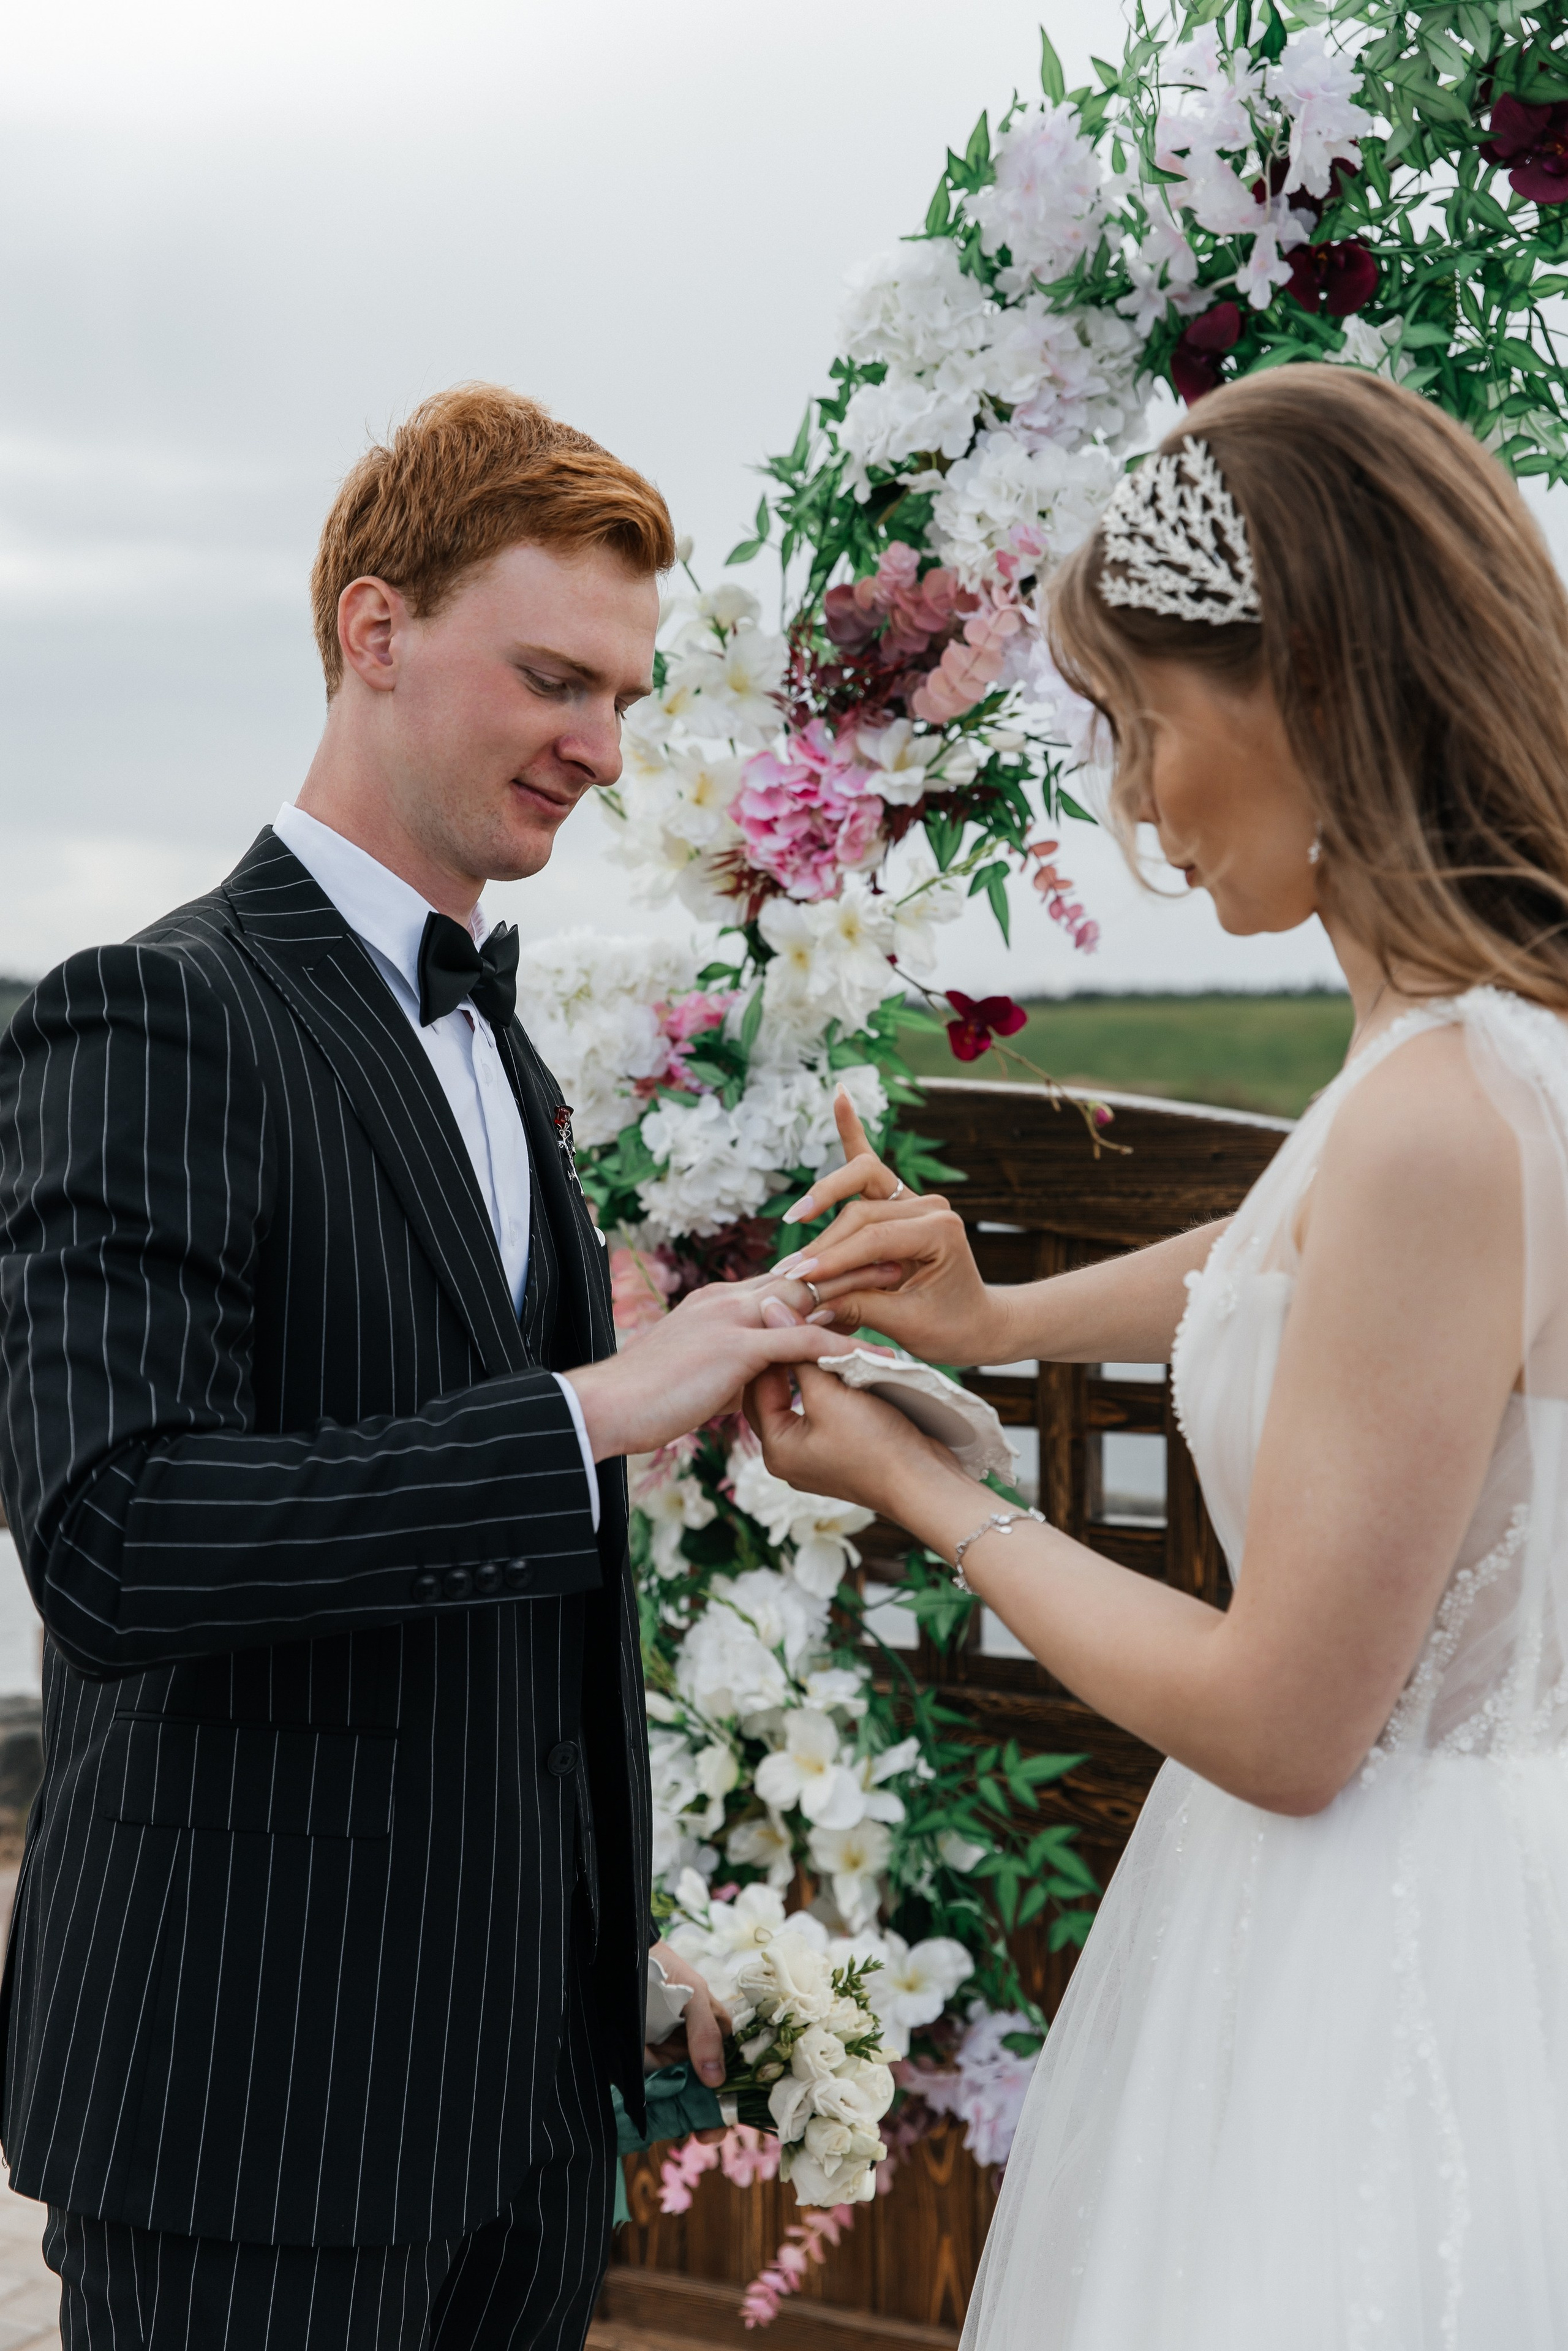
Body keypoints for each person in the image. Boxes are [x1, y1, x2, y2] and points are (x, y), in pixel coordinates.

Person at [0, 384, 846, 2351]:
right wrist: (585, 1414)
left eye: (627, 697)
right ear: (377, 634)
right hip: (251, 2118)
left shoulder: (498, 1049)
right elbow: (114, 1539)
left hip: (521, 2129)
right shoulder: (155, 1014)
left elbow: (484, 1635)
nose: (603, 747)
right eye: (557, 678)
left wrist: (611, 1977)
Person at [750, 366, 1568, 2345]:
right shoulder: (1460, 1059)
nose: (1130, 802)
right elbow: (1313, 1251)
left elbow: (1285, 1726)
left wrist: (935, 1492)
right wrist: (1005, 1321)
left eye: (1142, 726)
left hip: (1381, 1998)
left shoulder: (1445, 1106)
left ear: (1307, 682)